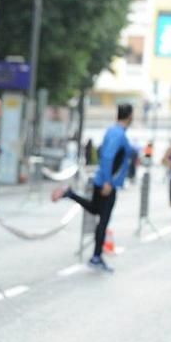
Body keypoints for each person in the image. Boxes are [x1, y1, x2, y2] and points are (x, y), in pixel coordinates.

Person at [51, 103, 135, 272]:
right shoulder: (119, 135)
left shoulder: (112, 131)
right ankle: (96, 256)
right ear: (130, 116)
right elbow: (109, 157)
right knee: (103, 220)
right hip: (108, 183)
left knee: (96, 210)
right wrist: (108, 181)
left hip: (102, 180)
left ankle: (69, 193)